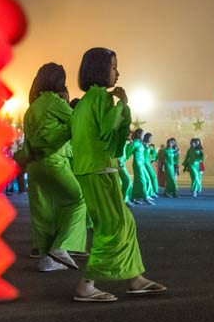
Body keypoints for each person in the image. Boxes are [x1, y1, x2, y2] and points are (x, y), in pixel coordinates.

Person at [70, 47, 167, 301]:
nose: (118, 72)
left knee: (125, 222)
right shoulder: (100, 97)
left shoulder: (84, 103)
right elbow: (107, 130)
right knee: (113, 227)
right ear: (101, 69)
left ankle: (135, 278)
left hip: (90, 170)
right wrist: (123, 105)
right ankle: (86, 284)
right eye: (114, 67)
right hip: (101, 170)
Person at [23, 63, 88, 272]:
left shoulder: (31, 107)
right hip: (53, 161)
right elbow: (77, 121)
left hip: (34, 165)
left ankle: (45, 256)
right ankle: (60, 248)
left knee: (44, 211)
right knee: (78, 200)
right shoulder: (53, 101)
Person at [129, 128, 154, 205]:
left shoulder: (140, 143)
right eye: (143, 134)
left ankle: (133, 197)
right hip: (137, 164)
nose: (144, 136)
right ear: (139, 135)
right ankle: (145, 197)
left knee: (142, 180)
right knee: (142, 180)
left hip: (142, 164)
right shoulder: (135, 143)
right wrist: (123, 160)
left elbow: (145, 148)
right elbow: (128, 151)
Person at [143, 133, 160, 199]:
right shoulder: (142, 144)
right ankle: (148, 192)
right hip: (143, 163)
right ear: (146, 137)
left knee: (152, 176)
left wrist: (153, 148)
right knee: (149, 178)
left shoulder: (148, 146)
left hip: (148, 163)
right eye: (150, 138)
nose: (151, 139)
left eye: (151, 138)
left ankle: (152, 192)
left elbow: (153, 154)